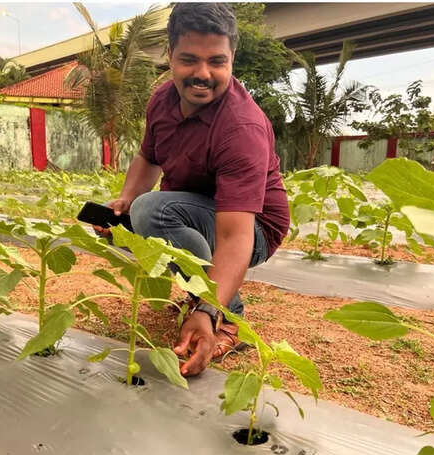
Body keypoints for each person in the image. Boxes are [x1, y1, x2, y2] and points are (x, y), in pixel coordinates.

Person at [96, 3, 290, 377]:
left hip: (254, 230)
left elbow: (236, 237)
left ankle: (229, 319)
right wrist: (126, 198)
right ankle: (203, 293)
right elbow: (148, 156)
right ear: (170, 57)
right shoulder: (162, 100)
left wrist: (208, 308)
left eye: (217, 61)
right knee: (127, 224)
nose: (203, 74)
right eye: (189, 59)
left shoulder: (241, 128)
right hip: (197, 211)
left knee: (151, 213)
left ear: (232, 59)